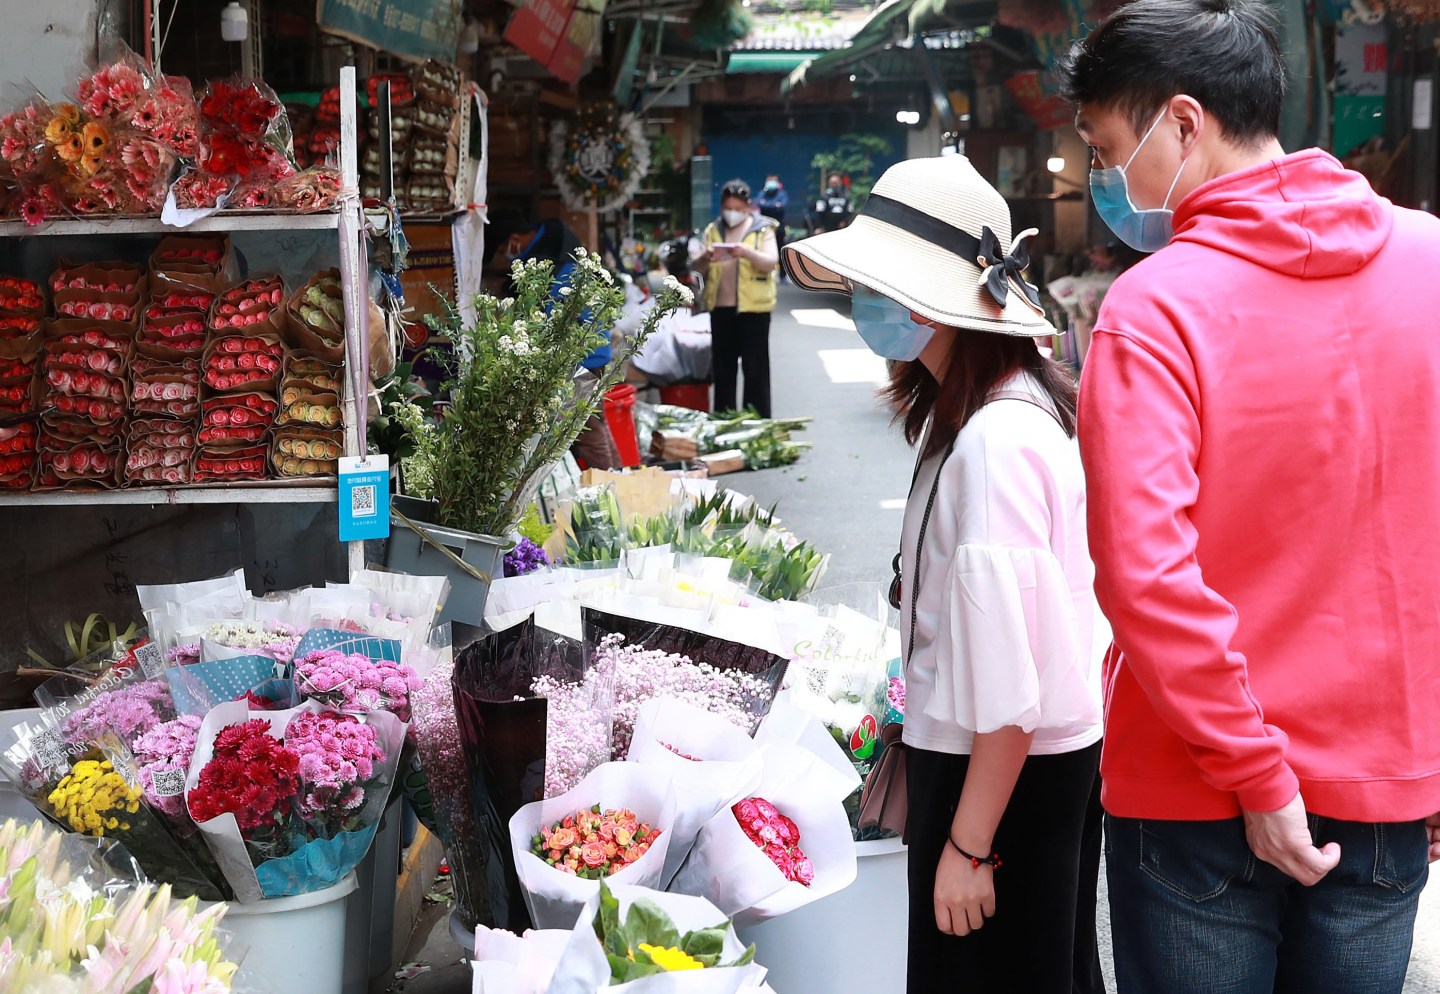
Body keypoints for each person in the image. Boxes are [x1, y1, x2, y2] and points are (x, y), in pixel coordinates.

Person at [1057, 1, 1440, 991]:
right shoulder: (1430, 265)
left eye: (1106, 148)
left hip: (1194, 801)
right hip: (1384, 784)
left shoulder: (1153, 309)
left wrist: (1256, 772)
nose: (1106, 181)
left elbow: (1146, 578)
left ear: (1184, 122)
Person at [783, 156, 1105, 994]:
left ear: (927, 304)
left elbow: (1009, 695)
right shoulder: (993, 407)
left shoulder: (996, 444)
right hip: (1018, 776)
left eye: (874, 284)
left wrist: (968, 847)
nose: (863, 303)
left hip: (1000, 784)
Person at [486, 209, 622, 469]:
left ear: (515, 237)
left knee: (584, 430)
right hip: (592, 352)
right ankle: (618, 478)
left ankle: (607, 487)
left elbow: (552, 318)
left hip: (582, 357)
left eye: (504, 246)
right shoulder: (556, 244)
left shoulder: (552, 261)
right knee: (593, 422)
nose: (506, 253)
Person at [697, 179, 779, 416]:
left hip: (754, 310)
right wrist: (705, 256)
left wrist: (745, 252)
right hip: (721, 308)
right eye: (728, 207)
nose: (732, 213)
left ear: (747, 206)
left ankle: (757, 421)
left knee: (756, 370)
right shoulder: (713, 230)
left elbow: (771, 261)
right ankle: (724, 420)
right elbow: (696, 266)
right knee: (723, 371)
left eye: (737, 208)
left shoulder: (762, 229)